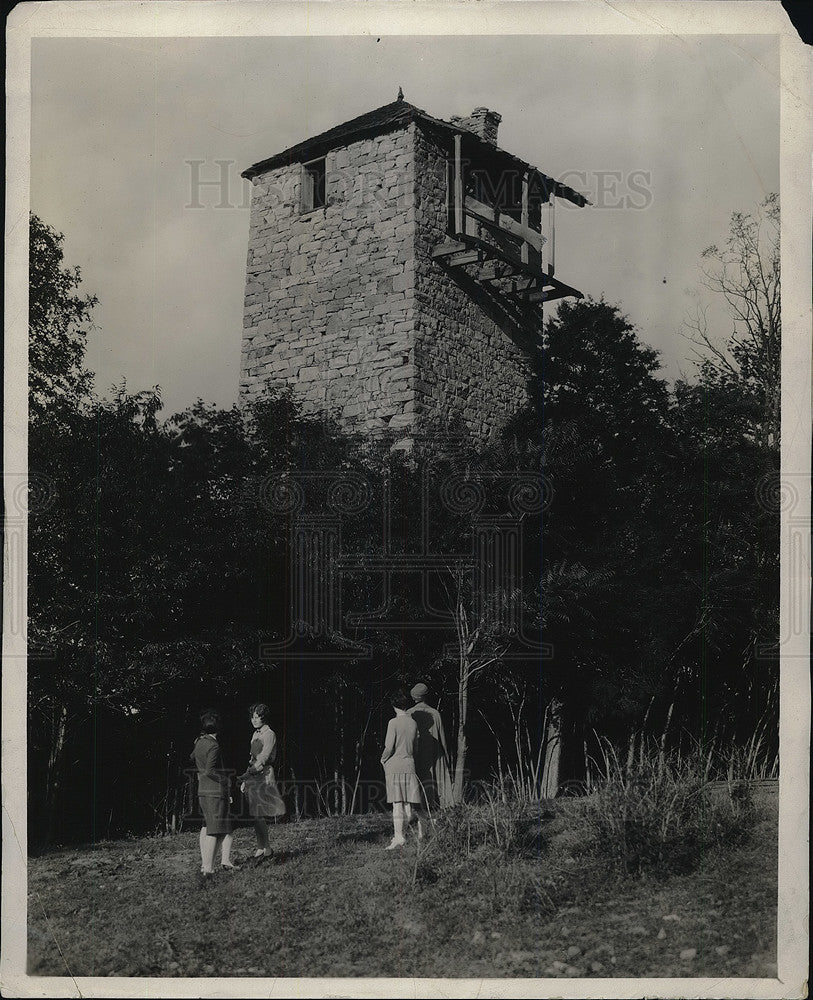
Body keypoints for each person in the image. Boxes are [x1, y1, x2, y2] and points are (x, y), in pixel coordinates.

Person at [190, 708, 238, 875]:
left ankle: (205, 866)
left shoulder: (199, 742)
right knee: (215, 830)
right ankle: (208, 868)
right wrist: (226, 781)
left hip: (202, 791)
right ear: (218, 728)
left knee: (206, 826)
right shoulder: (214, 745)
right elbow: (210, 770)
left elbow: (192, 757)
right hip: (215, 792)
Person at [238, 702, 286, 860]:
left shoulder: (269, 734)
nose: (254, 720)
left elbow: (264, 757)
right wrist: (246, 777)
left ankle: (265, 848)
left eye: (257, 717)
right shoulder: (255, 734)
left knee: (258, 813)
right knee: (255, 814)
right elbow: (252, 759)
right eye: (252, 717)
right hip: (253, 774)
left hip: (263, 774)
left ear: (264, 718)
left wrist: (248, 774)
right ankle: (263, 847)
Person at [380, 688, 423, 850]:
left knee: (397, 803)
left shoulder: (393, 722)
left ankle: (399, 837)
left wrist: (383, 759)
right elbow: (416, 747)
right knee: (407, 803)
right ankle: (403, 834)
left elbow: (388, 747)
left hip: (394, 765)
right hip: (409, 764)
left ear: (393, 705)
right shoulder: (413, 722)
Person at [407, 682, 453, 810]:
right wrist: (446, 754)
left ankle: (419, 805)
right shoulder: (435, 713)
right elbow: (442, 737)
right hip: (434, 751)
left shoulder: (410, 713)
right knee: (433, 775)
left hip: (416, 751)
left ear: (414, 697)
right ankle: (435, 803)